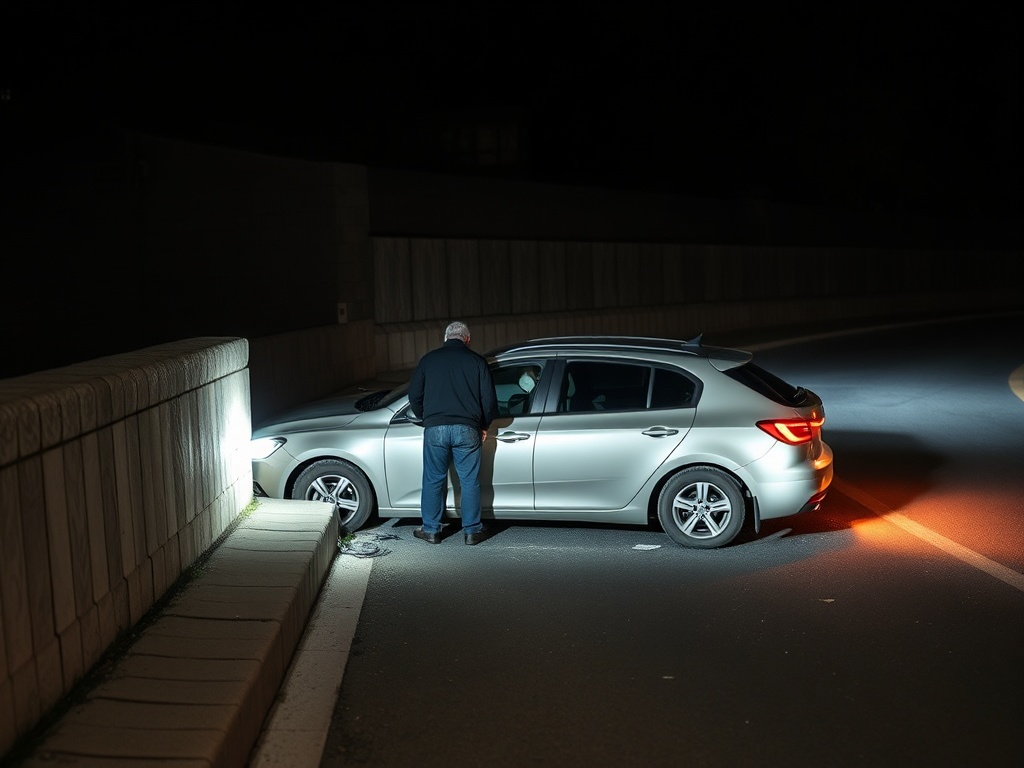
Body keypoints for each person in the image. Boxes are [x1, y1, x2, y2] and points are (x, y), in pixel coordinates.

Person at [407, 321, 499, 545]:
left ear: (446, 338)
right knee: (469, 481)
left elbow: (414, 396)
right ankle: (471, 531)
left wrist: (426, 418)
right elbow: (489, 401)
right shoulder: (477, 361)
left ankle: (431, 529)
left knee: (433, 479)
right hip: (467, 428)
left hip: (435, 428)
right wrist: (484, 426)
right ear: (467, 339)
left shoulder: (429, 360)